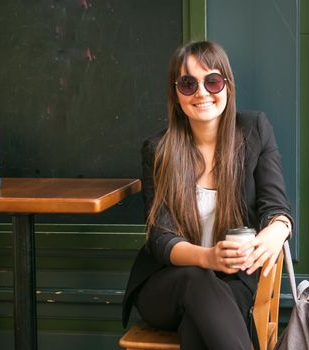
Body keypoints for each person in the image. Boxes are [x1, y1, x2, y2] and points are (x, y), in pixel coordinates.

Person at [122, 40, 293, 350]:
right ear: (176, 94)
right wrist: (208, 258)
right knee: (197, 279)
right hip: (167, 284)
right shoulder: (158, 151)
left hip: (233, 283)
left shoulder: (255, 130)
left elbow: (276, 206)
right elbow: (160, 239)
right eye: (188, 84)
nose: (201, 92)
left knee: (198, 325)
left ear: (227, 86)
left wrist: (277, 231)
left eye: (212, 81)